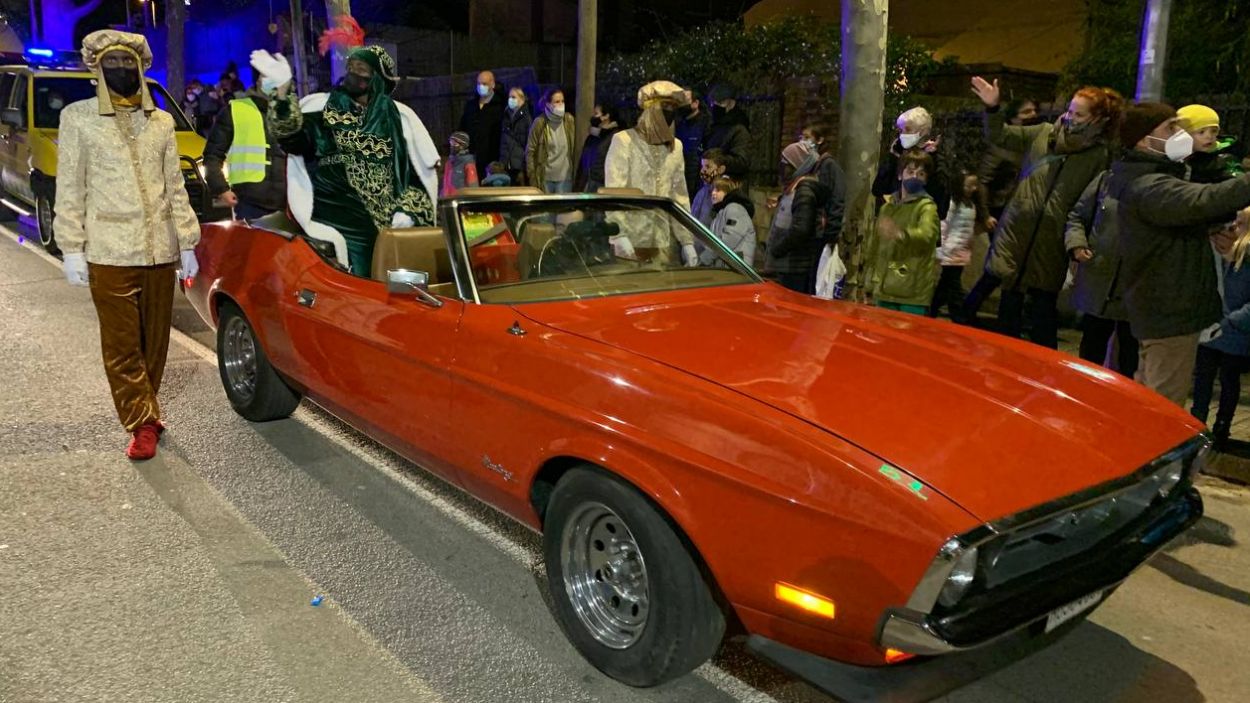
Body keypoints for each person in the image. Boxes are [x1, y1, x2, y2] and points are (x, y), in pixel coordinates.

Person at [55, 30, 201, 460]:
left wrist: (187, 241)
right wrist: (72, 247)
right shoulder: (78, 118)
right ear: (96, 70)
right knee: (122, 346)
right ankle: (141, 422)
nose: (121, 71)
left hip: (159, 250)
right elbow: (70, 188)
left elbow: (175, 186)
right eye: (111, 65)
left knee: (154, 343)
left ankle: (149, 410)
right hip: (108, 251)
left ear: (140, 67)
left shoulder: (160, 121)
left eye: (127, 64)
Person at [962, 79, 1123, 348]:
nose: (1071, 118)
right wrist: (992, 108)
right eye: (1070, 110)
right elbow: (999, 135)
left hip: (1052, 240)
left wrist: (1077, 241)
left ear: (1098, 120)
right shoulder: (1043, 133)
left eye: (1079, 114)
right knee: (1008, 304)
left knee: (1043, 312)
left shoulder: (1098, 156)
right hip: (1016, 233)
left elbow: (1090, 203)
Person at [1108, 102, 1250, 406]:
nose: (1180, 134)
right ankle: (1154, 453)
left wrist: (1210, 229)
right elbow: (1201, 200)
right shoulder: (1149, 184)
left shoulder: (1153, 177)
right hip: (1169, 312)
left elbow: (1183, 216)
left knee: (1148, 395)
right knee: (1163, 406)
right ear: (1146, 140)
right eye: (1171, 128)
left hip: (1163, 309)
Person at [264, 41, 438, 277]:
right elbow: (291, 138)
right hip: (341, 228)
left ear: (378, 79)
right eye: (351, 68)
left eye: (362, 69)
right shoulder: (322, 111)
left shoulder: (399, 120)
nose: (354, 74)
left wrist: (408, 211)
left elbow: (417, 175)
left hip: (392, 229)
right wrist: (283, 92)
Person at [604, 81, 697, 265]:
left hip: (661, 242)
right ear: (651, 109)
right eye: (665, 106)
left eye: (673, 107)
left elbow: (679, 196)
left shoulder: (675, 147)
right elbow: (614, 192)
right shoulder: (624, 141)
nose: (670, 113)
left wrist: (687, 241)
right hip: (630, 240)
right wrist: (618, 234)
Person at [1065, 169, 1138, 378]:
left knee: (1129, 355)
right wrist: (1076, 244)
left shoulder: (1163, 182)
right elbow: (1077, 216)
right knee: (1091, 348)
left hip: (1135, 285)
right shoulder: (1107, 179)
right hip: (1100, 280)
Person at [1190, 217, 1250, 448]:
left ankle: (1218, 426)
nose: (1232, 229)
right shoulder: (1220, 254)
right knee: (1208, 379)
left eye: (1239, 225)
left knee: (1225, 380)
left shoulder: (1243, 257)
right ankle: (1202, 425)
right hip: (1214, 329)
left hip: (1231, 331)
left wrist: (1231, 321)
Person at [202, 67, 287, 221]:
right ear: (258, 80)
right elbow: (212, 155)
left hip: (288, 204)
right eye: (266, 76)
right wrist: (221, 189)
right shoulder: (235, 110)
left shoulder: (291, 114)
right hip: (249, 203)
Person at [867, 150, 941, 315]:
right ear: (900, 175)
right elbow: (876, 247)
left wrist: (900, 234)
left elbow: (927, 235)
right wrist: (871, 283)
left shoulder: (927, 207)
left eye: (920, 173)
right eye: (910, 171)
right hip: (884, 288)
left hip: (912, 291)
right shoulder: (888, 207)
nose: (914, 177)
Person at [764, 141, 829, 293]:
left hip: (793, 267)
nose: (782, 168)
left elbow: (801, 229)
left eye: (785, 164)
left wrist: (777, 249)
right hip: (787, 266)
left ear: (797, 165)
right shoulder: (794, 188)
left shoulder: (804, 190)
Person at [873, 107, 949, 219]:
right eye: (900, 130)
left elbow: (941, 208)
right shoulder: (898, 154)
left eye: (907, 130)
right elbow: (878, 189)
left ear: (922, 132)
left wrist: (932, 162)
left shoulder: (936, 161)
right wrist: (892, 158)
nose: (902, 135)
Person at [930, 170, 985, 319]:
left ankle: (932, 309)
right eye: (969, 186)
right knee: (953, 283)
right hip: (951, 249)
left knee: (946, 282)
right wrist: (941, 247)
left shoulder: (971, 205)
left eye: (975, 185)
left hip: (961, 250)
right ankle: (958, 313)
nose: (973, 189)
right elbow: (944, 224)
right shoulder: (953, 203)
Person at [979, 97, 1040, 222]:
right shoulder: (1000, 146)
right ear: (1014, 118)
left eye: (1034, 111)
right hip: (999, 211)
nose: (1033, 115)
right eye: (1027, 112)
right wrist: (985, 215)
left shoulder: (1036, 143)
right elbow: (983, 181)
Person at [803, 122, 848, 275]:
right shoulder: (814, 164)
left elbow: (837, 198)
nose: (803, 141)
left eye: (807, 137)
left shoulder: (828, 166)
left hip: (821, 234)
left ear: (819, 140)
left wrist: (831, 233)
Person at [1177, 104, 1244, 184]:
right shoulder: (1177, 158)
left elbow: (1237, 185)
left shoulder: (1224, 161)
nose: (1209, 136)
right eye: (1201, 132)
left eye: (1214, 131)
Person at [526, 87, 575, 193]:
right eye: (557, 102)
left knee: (563, 209)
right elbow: (530, 151)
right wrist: (533, 178)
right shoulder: (540, 123)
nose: (561, 104)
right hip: (545, 178)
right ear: (548, 104)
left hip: (565, 178)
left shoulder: (569, 120)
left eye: (562, 101)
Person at [459, 70, 507, 174]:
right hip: (471, 160)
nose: (481, 86)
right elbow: (462, 129)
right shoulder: (471, 106)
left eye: (484, 84)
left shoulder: (501, 107)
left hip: (492, 162)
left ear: (492, 84)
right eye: (479, 83)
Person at [702, 176, 756, 267]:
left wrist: (705, 258)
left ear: (727, 193)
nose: (713, 193)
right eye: (712, 190)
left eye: (718, 190)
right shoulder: (719, 214)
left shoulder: (735, 208)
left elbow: (729, 239)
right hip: (727, 268)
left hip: (736, 269)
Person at [702, 84, 751, 181]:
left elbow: (742, 161)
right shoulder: (715, 126)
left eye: (720, 102)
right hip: (713, 183)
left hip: (728, 185)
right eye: (713, 102)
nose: (715, 106)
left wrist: (719, 160)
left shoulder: (739, 130)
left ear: (731, 103)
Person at [575, 102, 623, 192]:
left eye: (596, 114)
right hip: (587, 183)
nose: (593, 117)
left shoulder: (615, 137)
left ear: (606, 116)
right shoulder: (593, 136)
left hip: (602, 185)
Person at [676, 90, 712, 197]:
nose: (682, 104)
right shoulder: (679, 125)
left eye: (685, 101)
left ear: (696, 103)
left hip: (697, 179)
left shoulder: (706, 124)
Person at [499, 87, 532, 186]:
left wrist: (523, 166)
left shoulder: (526, 118)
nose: (510, 99)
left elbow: (528, 143)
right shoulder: (506, 116)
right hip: (505, 165)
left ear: (521, 99)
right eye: (509, 97)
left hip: (519, 166)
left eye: (513, 97)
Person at [690, 148, 727, 228]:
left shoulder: (724, 196)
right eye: (702, 166)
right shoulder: (701, 192)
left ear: (721, 169)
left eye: (708, 167)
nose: (703, 170)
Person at [442, 131, 479, 197]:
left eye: (454, 144)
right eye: (451, 143)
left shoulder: (468, 162)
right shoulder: (449, 162)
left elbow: (473, 185)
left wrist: (473, 200)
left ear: (462, 146)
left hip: (460, 200)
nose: (452, 146)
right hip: (447, 199)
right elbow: (445, 183)